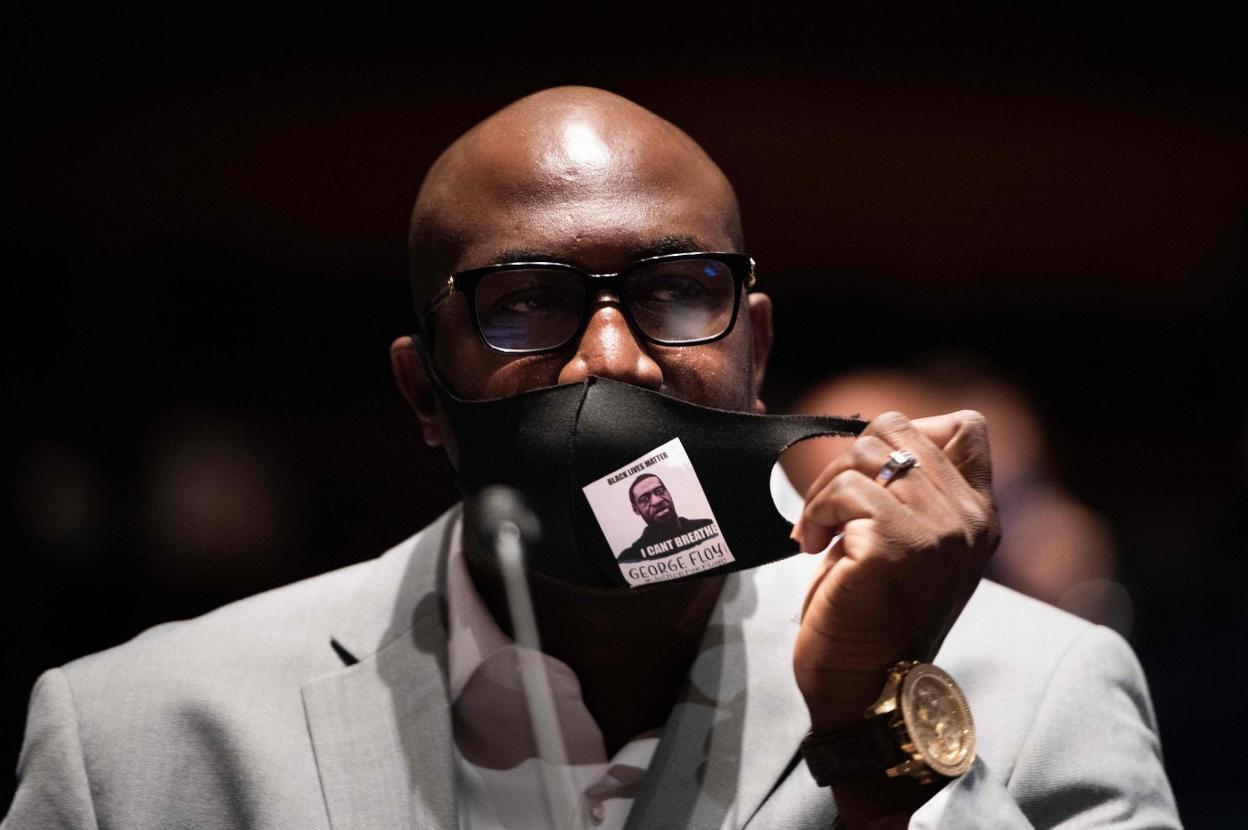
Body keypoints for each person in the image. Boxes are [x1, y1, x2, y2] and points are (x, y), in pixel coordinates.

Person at [4, 87, 1179, 829]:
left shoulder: (1038, 695)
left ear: (755, 347)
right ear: (425, 391)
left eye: (676, 291)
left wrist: (877, 728)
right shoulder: (138, 740)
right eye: (526, 304)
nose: (610, 360)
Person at [618, 474, 715, 563]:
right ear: (636, 510)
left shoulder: (706, 527)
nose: (657, 501)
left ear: (669, 493)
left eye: (660, 491)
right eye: (645, 499)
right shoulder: (630, 557)